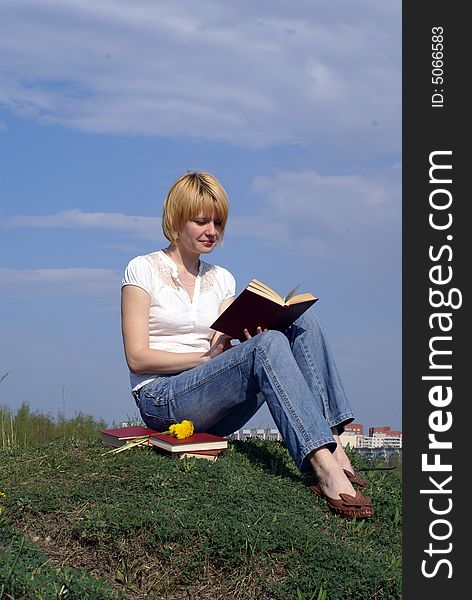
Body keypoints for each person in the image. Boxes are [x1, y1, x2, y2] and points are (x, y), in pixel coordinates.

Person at [121, 171, 374, 518]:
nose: (212, 231)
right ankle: (325, 468)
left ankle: (334, 443)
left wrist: (246, 335)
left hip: (212, 401)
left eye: (219, 223)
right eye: (201, 221)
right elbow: (136, 358)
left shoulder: (221, 278)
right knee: (266, 345)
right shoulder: (141, 270)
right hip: (162, 400)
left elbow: (227, 338)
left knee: (300, 321)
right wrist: (203, 359)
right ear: (176, 221)